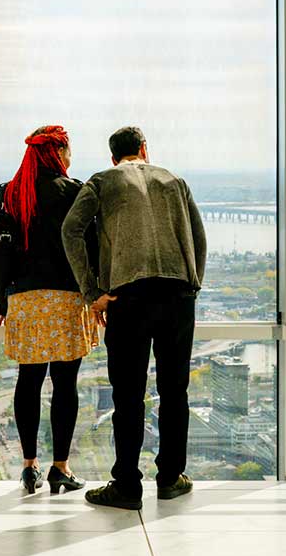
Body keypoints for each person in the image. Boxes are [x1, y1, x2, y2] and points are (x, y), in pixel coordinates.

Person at [62, 126, 207, 511]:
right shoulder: (174, 180)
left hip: (129, 297)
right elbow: (199, 235)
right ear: (145, 149)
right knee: (175, 391)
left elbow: (71, 230)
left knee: (128, 395)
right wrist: (193, 283)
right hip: (178, 294)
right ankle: (171, 477)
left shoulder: (102, 180)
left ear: (114, 157)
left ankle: (127, 484)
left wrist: (92, 292)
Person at [0, 125, 98, 495]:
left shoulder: (11, 193)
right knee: (66, 384)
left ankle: (29, 466)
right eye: (68, 151)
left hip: (24, 300)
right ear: (59, 152)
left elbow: (0, 252)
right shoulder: (74, 192)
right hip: (67, 299)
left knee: (28, 381)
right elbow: (90, 248)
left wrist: (3, 301)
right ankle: (60, 468)